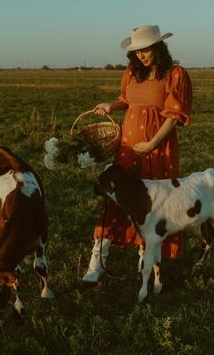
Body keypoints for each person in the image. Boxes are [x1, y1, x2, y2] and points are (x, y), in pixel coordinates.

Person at [82, 24, 193, 284]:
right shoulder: (132, 72)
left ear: (158, 48)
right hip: (129, 144)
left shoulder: (175, 74)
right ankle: (97, 261)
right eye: (137, 51)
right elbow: (127, 99)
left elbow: (175, 116)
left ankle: (147, 258)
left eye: (146, 50)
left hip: (159, 145)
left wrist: (153, 142)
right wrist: (113, 104)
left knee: (154, 203)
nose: (141, 55)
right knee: (116, 197)